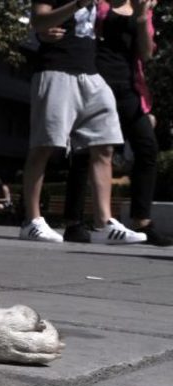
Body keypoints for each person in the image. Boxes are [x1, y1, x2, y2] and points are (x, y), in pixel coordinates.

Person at [19, 0, 145, 244]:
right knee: (44, 146)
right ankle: (31, 221)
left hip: (91, 75)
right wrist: (76, 4)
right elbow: (39, 20)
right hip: (56, 70)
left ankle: (104, 223)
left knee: (105, 144)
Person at [60, 0, 168, 245]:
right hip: (96, 80)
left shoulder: (143, 10)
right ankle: (73, 223)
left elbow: (147, 53)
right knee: (85, 151)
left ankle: (142, 221)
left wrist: (141, 18)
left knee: (147, 147)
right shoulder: (99, 5)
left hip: (128, 88)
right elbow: (78, 30)